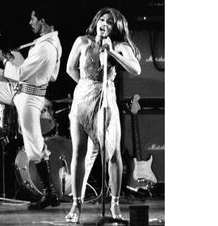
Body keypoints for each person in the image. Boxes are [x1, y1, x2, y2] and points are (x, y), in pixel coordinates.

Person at [0, 3, 62, 210]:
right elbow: (53, 76)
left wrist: (7, 62)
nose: (30, 22)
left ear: (43, 20)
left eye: (33, 18)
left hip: (29, 98)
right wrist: (19, 63)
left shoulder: (46, 47)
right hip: (19, 90)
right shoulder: (51, 43)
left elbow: (21, 74)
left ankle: (50, 195)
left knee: (34, 150)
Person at [65, 7, 141, 223]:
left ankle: (115, 205)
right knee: (79, 151)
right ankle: (76, 204)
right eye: (102, 19)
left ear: (114, 28)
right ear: (96, 21)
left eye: (109, 22)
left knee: (113, 152)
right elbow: (70, 68)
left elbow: (136, 70)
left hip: (106, 100)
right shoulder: (82, 42)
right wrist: (86, 86)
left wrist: (112, 53)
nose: (104, 24)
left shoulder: (119, 46)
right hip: (83, 99)